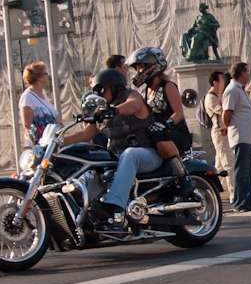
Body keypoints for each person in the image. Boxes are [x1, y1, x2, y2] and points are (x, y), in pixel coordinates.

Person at [65, 69, 163, 229]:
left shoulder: (131, 96)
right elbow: (86, 133)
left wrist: (114, 110)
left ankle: (114, 206)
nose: (99, 94)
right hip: (119, 157)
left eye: (101, 89)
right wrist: (58, 142)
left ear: (114, 88)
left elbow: (134, 105)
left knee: (130, 154)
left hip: (147, 153)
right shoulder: (103, 108)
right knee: (91, 161)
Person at [125, 47, 196, 197]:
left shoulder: (167, 86)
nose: (137, 71)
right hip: (156, 133)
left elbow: (179, 113)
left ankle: (184, 177)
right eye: (136, 68)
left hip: (175, 134)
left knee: (159, 138)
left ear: (152, 65)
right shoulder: (145, 92)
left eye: (140, 66)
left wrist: (166, 123)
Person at [222, 62, 251, 212]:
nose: (249, 74)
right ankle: (240, 203)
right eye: (247, 71)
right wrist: (229, 126)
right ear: (242, 73)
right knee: (242, 170)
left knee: (250, 170)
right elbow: (226, 113)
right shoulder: (232, 90)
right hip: (241, 135)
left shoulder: (240, 90)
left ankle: (249, 199)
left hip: (248, 136)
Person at [206, 70, 235, 201]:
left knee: (220, 165)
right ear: (215, 82)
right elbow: (225, 110)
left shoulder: (218, 95)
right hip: (220, 133)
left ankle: (219, 191)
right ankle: (234, 193)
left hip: (222, 132)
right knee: (228, 162)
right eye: (222, 80)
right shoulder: (211, 97)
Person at [19, 62, 62, 145]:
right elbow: (28, 126)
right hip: (40, 147)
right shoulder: (27, 96)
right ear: (39, 77)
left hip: (52, 144)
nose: (48, 76)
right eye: (46, 73)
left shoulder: (42, 95)